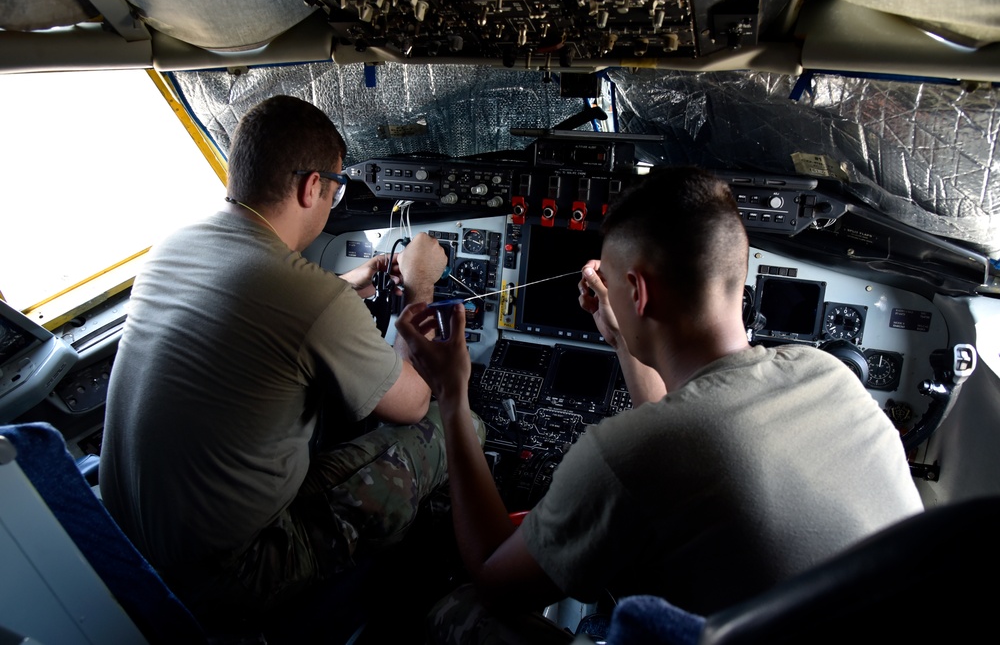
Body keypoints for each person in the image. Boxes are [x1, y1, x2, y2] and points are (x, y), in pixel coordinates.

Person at [395, 166, 925, 643]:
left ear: (638, 292)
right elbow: (691, 412)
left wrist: (451, 393)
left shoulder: (631, 453)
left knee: (460, 611)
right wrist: (624, 337)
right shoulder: (829, 372)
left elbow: (493, 575)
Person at [100, 95, 473, 628]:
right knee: (455, 425)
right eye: (336, 188)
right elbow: (413, 404)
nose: (333, 201)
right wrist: (420, 284)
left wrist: (347, 285)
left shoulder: (172, 245)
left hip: (129, 547)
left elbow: (257, 305)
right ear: (310, 187)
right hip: (225, 575)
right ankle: (417, 589)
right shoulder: (311, 300)